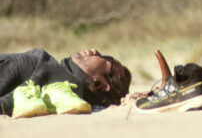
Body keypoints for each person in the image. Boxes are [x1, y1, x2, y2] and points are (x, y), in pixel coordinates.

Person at [0, 48, 132, 118]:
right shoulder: (48, 69)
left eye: (105, 58)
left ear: (103, 84)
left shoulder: (37, 67)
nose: (95, 50)